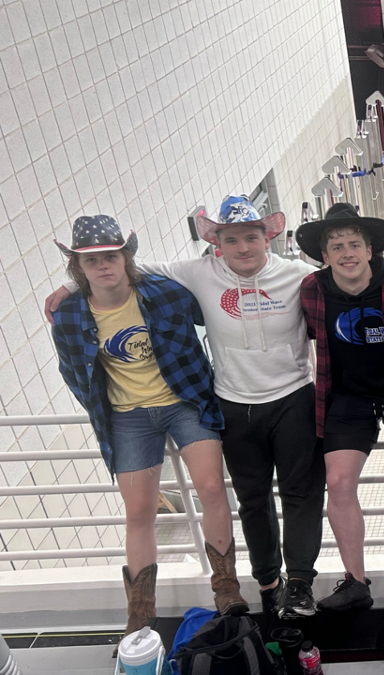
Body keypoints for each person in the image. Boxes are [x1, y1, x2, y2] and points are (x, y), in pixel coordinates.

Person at [45, 196, 324, 619]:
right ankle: (158, 608)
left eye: (251, 237)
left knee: (258, 491)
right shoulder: (190, 276)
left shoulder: (292, 276)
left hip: (240, 400)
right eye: (232, 240)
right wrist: (69, 288)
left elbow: (337, 289)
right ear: (217, 245)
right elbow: (75, 367)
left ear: (267, 238)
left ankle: (264, 586)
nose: (243, 247)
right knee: (199, 505)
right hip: (184, 409)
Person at [50, 216, 248, 644]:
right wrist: (103, 408)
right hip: (128, 416)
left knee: (212, 487)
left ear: (126, 257)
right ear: (77, 268)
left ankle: (226, 587)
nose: (103, 266)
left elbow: (212, 305)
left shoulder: (166, 292)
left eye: (111, 256)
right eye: (91, 260)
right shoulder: (68, 315)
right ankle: (140, 613)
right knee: (139, 512)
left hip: (186, 401)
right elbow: (73, 372)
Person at [296, 204, 384, 610]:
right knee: (337, 482)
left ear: (370, 250)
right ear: (325, 255)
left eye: (354, 244)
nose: (347, 253)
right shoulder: (312, 290)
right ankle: (355, 582)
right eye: (337, 247)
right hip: (348, 396)